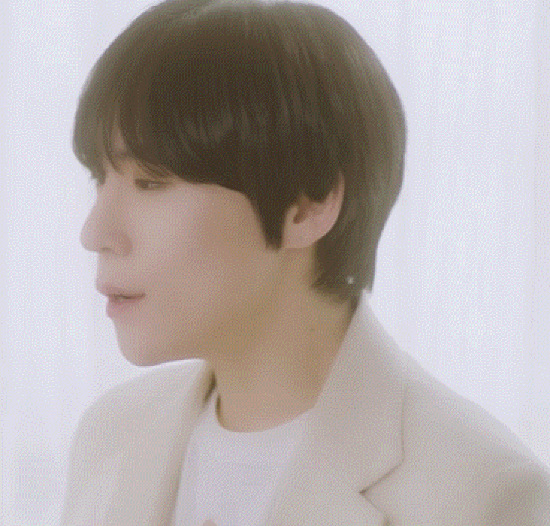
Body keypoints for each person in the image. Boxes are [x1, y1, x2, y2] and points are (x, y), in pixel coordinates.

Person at [60, 1, 550, 525]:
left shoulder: (479, 494)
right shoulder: (110, 437)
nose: (95, 234)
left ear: (307, 205)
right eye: (99, 178)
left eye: (150, 182)